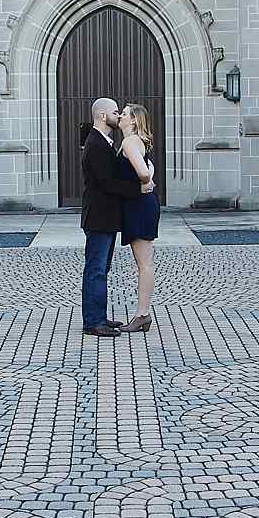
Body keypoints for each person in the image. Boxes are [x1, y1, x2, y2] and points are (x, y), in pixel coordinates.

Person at [78, 96, 152, 337]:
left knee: (102, 268)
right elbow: (106, 183)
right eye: (115, 112)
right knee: (96, 269)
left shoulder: (105, 142)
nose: (118, 115)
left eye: (122, 113)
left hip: (106, 217)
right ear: (102, 116)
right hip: (99, 217)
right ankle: (93, 322)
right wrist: (138, 189)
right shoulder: (96, 144)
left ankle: (99, 317)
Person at [114, 104, 159, 333]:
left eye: (124, 113)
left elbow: (143, 171)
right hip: (141, 205)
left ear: (133, 121)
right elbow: (148, 168)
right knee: (145, 263)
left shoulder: (131, 142)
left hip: (140, 206)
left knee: (144, 264)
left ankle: (142, 315)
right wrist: (147, 178)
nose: (120, 116)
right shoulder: (138, 142)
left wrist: (146, 182)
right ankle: (142, 314)